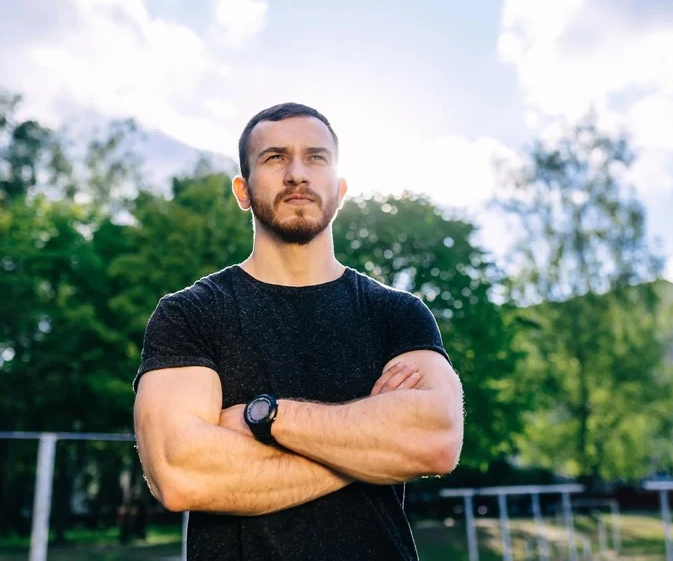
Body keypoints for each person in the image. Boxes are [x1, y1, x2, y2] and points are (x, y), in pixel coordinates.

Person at [133, 102, 464, 560]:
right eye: (274, 158)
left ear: (340, 188)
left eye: (316, 157)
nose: (296, 174)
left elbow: (437, 441)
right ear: (243, 190)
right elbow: (180, 473)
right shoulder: (190, 313)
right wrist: (373, 445)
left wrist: (264, 417)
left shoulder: (397, 313)